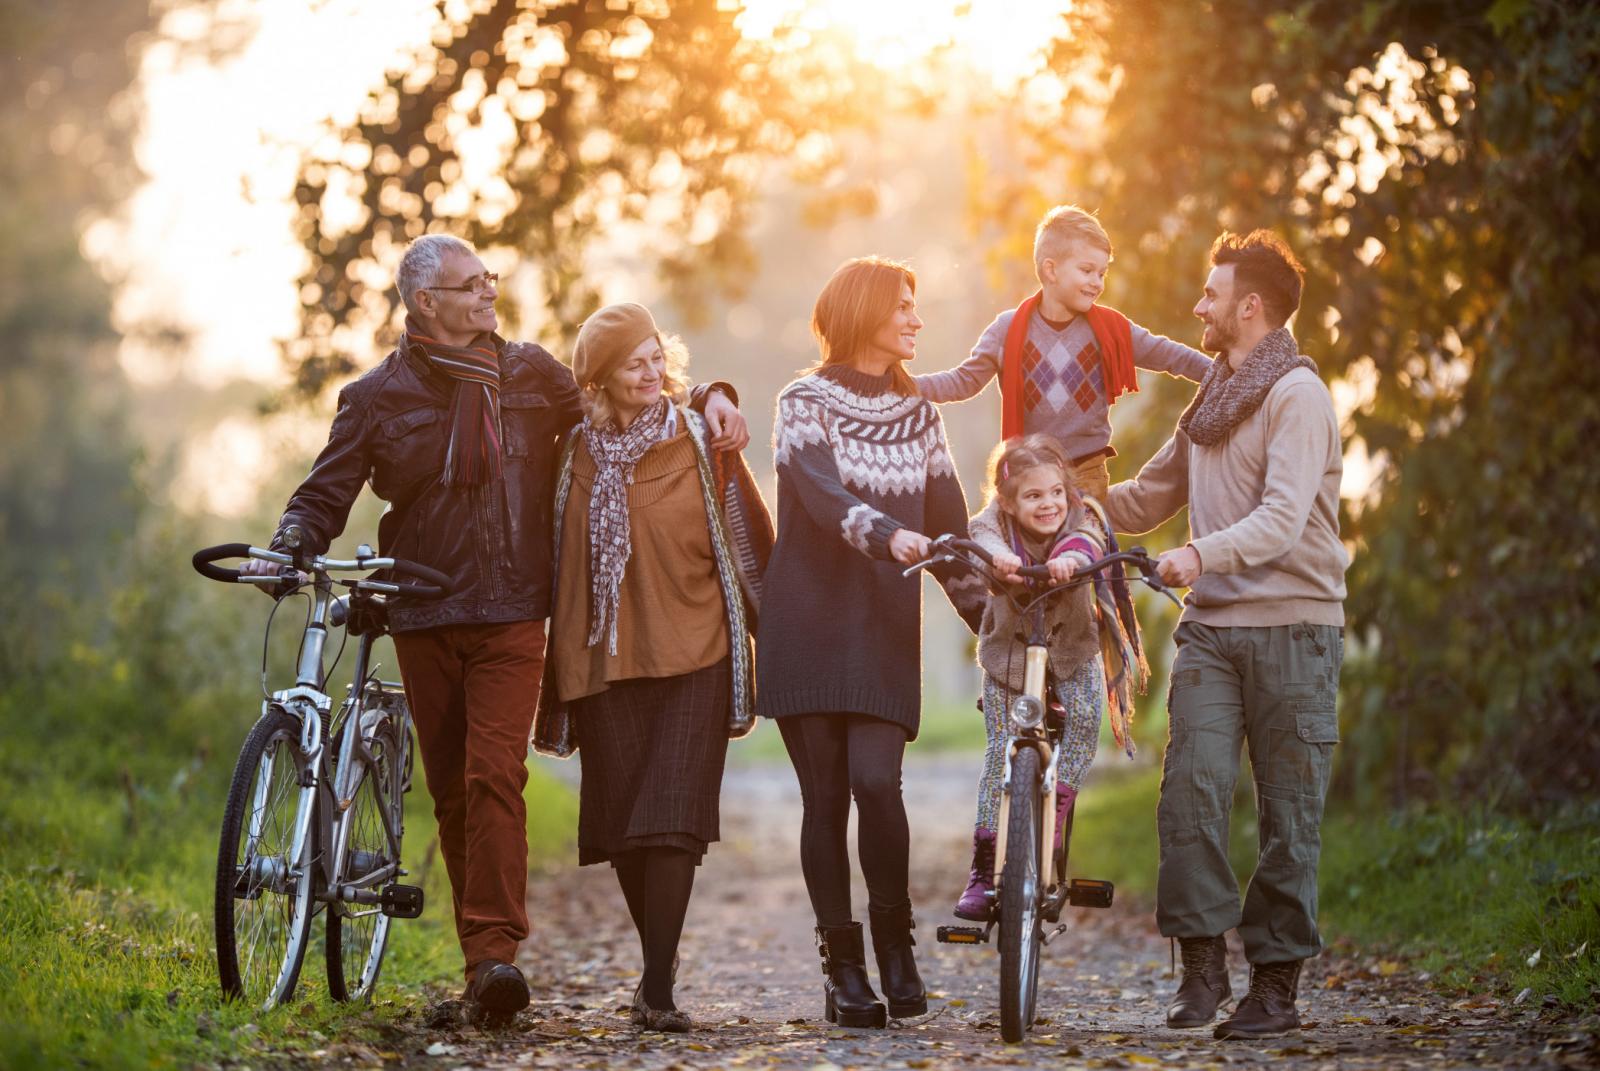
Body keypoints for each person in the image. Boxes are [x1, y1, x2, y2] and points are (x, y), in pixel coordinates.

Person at [241, 234, 747, 1020]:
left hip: (513, 611)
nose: (488, 293)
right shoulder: (376, 397)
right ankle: (482, 961)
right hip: (425, 607)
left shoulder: (530, 374)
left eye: (490, 279)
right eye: (470, 285)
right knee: (449, 787)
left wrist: (712, 388)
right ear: (425, 304)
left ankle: (494, 959)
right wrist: (291, 543)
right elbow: (326, 491)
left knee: (492, 775)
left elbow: (619, 382)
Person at [1104, 230, 1348, 1040]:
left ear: (1250, 306)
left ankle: (1274, 987)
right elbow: (1150, 493)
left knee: (1289, 816)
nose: (1198, 307)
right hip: (1213, 630)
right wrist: (1055, 511)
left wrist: (1198, 554)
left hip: (1296, 629)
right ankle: (1202, 967)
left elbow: (1281, 518)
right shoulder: (1213, 393)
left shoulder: (1298, 396)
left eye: (1212, 294)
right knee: (1191, 794)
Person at [756, 256, 985, 1029]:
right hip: (807, 624)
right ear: (865, 313)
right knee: (824, 798)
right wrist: (889, 537)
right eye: (905, 307)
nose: (918, 320)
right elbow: (821, 497)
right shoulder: (802, 401)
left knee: (877, 783)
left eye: (917, 307)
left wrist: (993, 619)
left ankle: (896, 947)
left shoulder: (921, 414)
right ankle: (844, 970)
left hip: (883, 632)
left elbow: (951, 528)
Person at [530, 303, 772, 1032]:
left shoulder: (701, 436)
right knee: (624, 828)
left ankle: (658, 986)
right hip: (601, 660)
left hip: (694, 649)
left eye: (655, 355)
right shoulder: (570, 451)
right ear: (599, 380)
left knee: (672, 820)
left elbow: (751, 538)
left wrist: (782, 635)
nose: (650, 370)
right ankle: (653, 971)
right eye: (632, 362)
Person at [950, 433, 1146, 920]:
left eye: (1056, 492)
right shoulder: (992, 523)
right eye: (1034, 496)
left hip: (1073, 652)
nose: (1049, 504)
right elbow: (980, 535)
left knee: (1083, 719)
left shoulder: (1084, 517)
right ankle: (982, 866)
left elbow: (1088, 541)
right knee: (1000, 748)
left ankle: (1057, 810)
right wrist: (1001, 559)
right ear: (1009, 501)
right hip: (1009, 658)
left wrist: (1071, 561)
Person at [912, 204, 1211, 500]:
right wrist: (905, 386)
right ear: (1051, 270)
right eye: (1087, 270)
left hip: (1085, 472)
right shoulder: (1007, 329)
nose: (1097, 282)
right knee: (1005, 537)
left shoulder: (1110, 330)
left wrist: (1224, 375)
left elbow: (1174, 357)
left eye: (1102, 274)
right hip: (1028, 471)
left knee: (1079, 541)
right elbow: (963, 381)